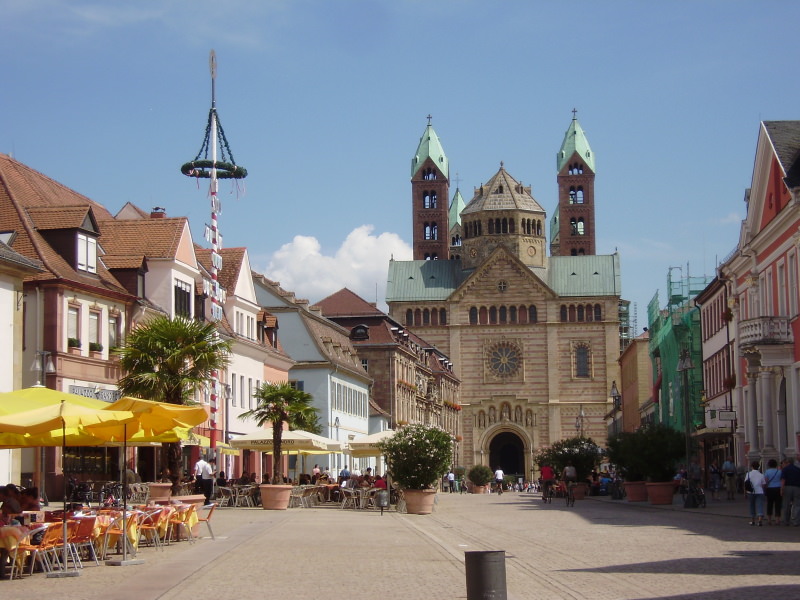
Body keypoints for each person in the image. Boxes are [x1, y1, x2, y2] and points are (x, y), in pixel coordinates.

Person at [745, 461, 766, 526]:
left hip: (750, 492)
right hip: (759, 491)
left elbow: (745, 484)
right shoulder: (761, 475)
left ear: (752, 467)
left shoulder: (748, 474)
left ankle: (752, 520)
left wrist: (745, 493)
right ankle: (760, 520)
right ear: (758, 467)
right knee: (760, 505)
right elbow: (763, 484)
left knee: (752, 505)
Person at [780, 457, 800, 526]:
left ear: (787, 462)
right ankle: (796, 521)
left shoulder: (785, 469)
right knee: (797, 505)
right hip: (797, 488)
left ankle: (786, 521)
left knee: (786, 505)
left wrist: (781, 489)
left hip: (787, 487)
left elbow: (783, 480)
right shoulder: (798, 469)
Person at [763, 459, 782, 525]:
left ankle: (769, 519)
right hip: (778, 488)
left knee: (769, 504)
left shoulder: (767, 472)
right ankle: (777, 520)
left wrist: (764, 488)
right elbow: (781, 480)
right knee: (778, 504)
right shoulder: (779, 471)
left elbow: (765, 481)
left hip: (770, 489)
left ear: (769, 465)